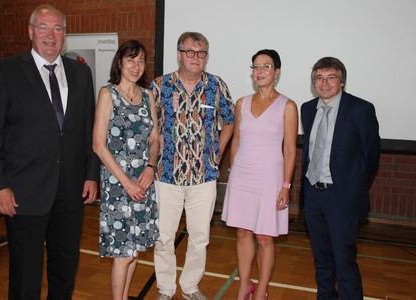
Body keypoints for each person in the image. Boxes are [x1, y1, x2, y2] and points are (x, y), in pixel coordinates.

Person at [0, 4, 99, 300]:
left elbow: (89, 131)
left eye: (57, 28)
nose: (51, 34)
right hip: (23, 192)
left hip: (71, 191)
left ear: (65, 34)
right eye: (44, 27)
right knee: (25, 274)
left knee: (65, 269)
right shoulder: (6, 72)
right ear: (31, 32)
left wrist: (91, 175)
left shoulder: (81, 74)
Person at [150, 32, 235, 300]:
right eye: (190, 52)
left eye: (201, 53)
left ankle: (189, 286)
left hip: (205, 175)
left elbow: (230, 120)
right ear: (179, 54)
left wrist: (218, 153)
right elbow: (149, 125)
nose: (195, 58)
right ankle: (165, 288)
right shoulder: (159, 86)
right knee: (164, 236)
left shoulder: (216, 85)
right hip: (166, 174)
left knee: (200, 236)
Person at [300, 57, 380, 299]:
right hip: (313, 195)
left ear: (342, 81)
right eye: (319, 78)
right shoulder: (307, 108)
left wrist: (351, 188)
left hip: (341, 197)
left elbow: (371, 156)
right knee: (322, 257)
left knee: (344, 260)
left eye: (331, 77)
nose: (324, 83)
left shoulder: (361, 109)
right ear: (313, 82)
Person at [222, 49, 298, 300]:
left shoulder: (287, 106)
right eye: (256, 66)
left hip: (270, 177)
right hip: (242, 175)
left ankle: (262, 289)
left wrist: (286, 185)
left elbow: (289, 148)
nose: (260, 71)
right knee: (243, 233)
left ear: (276, 72)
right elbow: (235, 142)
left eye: (266, 66)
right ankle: (245, 285)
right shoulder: (242, 103)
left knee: (265, 237)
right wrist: (232, 173)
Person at [92, 40, 160, 300]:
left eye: (141, 60)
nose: (136, 66)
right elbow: (98, 145)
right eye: (130, 60)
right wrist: (126, 183)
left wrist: (151, 167)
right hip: (118, 186)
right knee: (123, 254)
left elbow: (154, 138)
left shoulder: (148, 96)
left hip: (143, 183)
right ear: (119, 62)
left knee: (134, 253)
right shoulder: (108, 94)